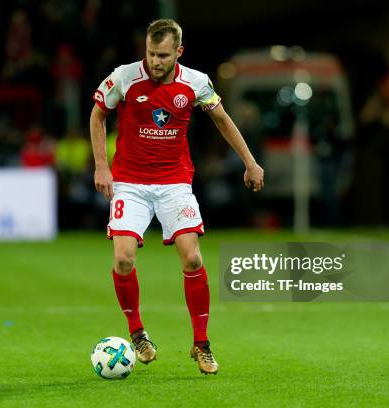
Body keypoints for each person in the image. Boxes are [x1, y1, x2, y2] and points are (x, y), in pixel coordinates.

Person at [89, 19, 264, 375]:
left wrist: (250, 162)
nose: (155, 61)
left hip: (174, 184)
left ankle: (201, 344)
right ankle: (137, 334)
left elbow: (223, 121)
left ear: (178, 53)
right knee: (123, 260)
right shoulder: (124, 77)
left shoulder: (196, 83)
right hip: (130, 183)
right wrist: (101, 166)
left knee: (194, 260)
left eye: (163, 55)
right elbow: (97, 115)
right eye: (152, 54)